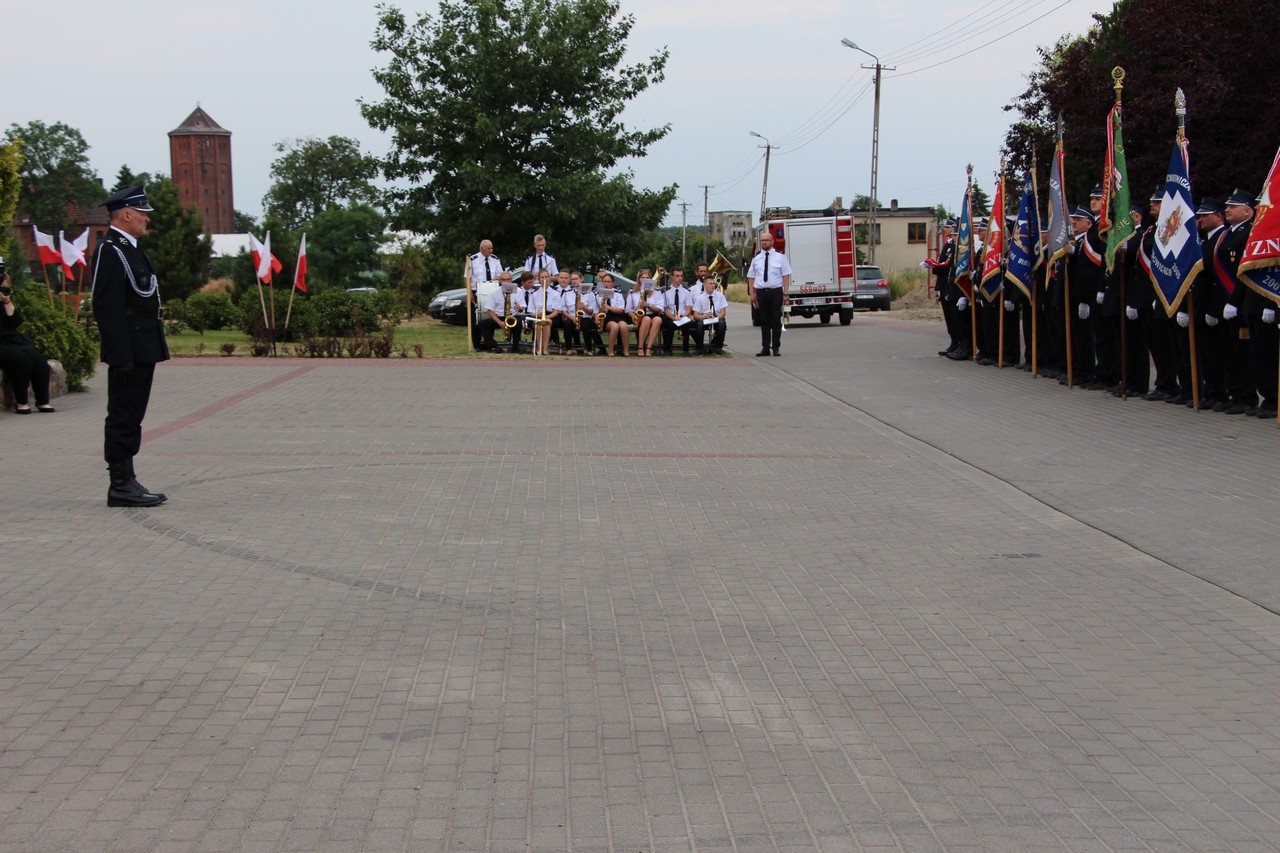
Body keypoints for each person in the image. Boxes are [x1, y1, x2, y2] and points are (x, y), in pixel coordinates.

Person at [90, 185, 168, 508]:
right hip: (129, 348)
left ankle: (128, 478)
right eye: (142, 213)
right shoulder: (111, 250)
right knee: (123, 415)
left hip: (143, 343)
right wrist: (120, 355)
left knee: (133, 414)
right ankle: (120, 485)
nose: (147, 219)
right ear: (126, 214)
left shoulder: (130, 248)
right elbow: (106, 306)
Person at [0, 259, 55, 414]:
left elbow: (15, 322)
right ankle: (21, 403)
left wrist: (7, 301)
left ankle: (43, 402)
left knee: (39, 361)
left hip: (11, 339)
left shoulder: (3, 296)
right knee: (21, 361)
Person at [747, 230, 792, 356]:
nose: (764, 242)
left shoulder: (780, 256)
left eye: (766, 240)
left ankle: (776, 347)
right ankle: (765, 347)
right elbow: (751, 276)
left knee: (776, 319)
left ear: (772, 241)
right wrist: (752, 293)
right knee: (764, 320)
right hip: (761, 291)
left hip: (775, 291)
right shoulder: (756, 258)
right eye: (762, 240)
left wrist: (785, 293)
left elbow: (786, 275)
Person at [476, 272, 519, 352]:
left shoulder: (519, 291)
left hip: (513, 316)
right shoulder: (494, 292)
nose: (505, 282)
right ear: (500, 281)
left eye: (508, 279)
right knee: (482, 324)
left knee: (518, 323)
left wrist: (520, 308)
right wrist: (499, 322)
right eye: (503, 280)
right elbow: (489, 311)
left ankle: (515, 348)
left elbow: (523, 308)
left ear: (511, 280)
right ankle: (493, 346)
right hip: (499, 317)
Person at [690, 274, 728, 354]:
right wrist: (705, 316)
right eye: (710, 284)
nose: (713, 285)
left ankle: (718, 347)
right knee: (699, 325)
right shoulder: (700, 298)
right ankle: (699, 348)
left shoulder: (720, 296)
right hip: (705, 318)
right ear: (704, 285)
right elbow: (695, 315)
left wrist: (717, 318)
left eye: (714, 283)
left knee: (722, 323)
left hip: (716, 317)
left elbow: (723, 312)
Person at [660, 267, 694, 356]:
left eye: (681, 276)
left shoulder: (687, 291)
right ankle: (667, 349)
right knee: (670, 325)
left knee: (687, 324)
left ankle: (686, 350)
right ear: (672, 277)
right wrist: (673, 317)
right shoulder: (666, 292)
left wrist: (683, 317)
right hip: (671, 316)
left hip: (683, 316)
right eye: (677, 276)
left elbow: (688, 308)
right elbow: (665, 309)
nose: (679, 278)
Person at [599, 272, 631, 356]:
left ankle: (626, 350)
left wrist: (609, 307)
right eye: (605, 282)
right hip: (607, 317)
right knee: (615, 326)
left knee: (623, 326)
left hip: (618, 316)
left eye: (609, 282)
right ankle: (610, 350)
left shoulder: (618, 293)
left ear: (613, 283)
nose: (606, 284)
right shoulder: (598, 294)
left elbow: (621, 310)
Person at [635, 272, 664, 357]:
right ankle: (640, 347)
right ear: (639, 279)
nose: (645, 279)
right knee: (646, 319)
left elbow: (660, 308)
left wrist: (648, 305)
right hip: (638, 315)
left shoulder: (657, 292)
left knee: (658, 320)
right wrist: (634, 315)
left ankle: (649, 348)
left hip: (653, 313)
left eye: (647, 278)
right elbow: (628, 309)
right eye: (642, 277)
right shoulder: (633, 292)